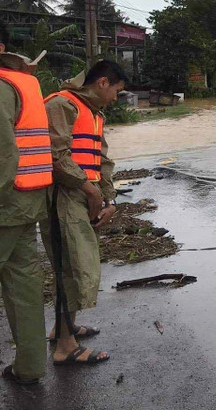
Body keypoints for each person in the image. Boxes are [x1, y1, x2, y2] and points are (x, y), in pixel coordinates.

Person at [41, 60, 127, 367]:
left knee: (74, 265)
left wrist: (109, 199)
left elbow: (102, 160)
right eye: (117, 91)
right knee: (72, 268)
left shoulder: (94, 113)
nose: (116, 98)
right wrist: (90, 192)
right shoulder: (61, 105)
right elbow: (56, 157)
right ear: (103, 83)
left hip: (83, 195)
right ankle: (65, 347)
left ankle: (63, 329)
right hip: (62, 196)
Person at [0, 22, 52, 385]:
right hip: (28, 198)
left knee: (23, 283)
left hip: (5, 200)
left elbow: (3, 154)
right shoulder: (25, 82)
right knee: (23, 284)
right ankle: (30, 366)